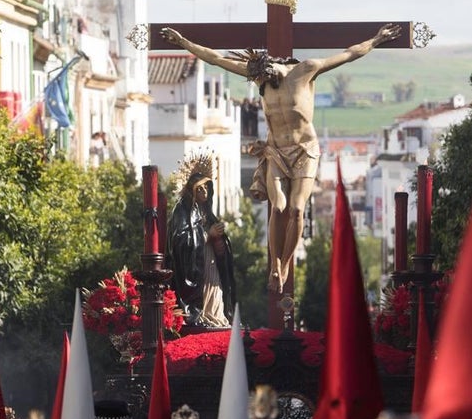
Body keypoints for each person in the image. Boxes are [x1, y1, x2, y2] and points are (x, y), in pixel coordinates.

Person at [161, 23, 401, 294]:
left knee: (297, 209)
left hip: (304, 150)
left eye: (268, 76)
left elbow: (349, 53)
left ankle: (284, 265)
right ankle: (274, 263)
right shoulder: (260, 77)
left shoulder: (306, 70)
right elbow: (216, 58)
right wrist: (184, 43)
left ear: (274, 64)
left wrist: (377, 39)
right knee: (278, 208)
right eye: (260, 81)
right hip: (275, 150)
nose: (265, 83)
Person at [166, 152, 236, 327]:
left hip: (211, 262)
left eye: (206, 187)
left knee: (216, 289)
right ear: (191, 191)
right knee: (204, 294)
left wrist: (221, 243)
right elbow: (179, 241)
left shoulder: (207, 212)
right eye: (199, 188)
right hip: (194, 266)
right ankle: (203, 316)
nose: (204, 191)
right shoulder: (181, 210)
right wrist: (206, 235)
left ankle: (216, 317)